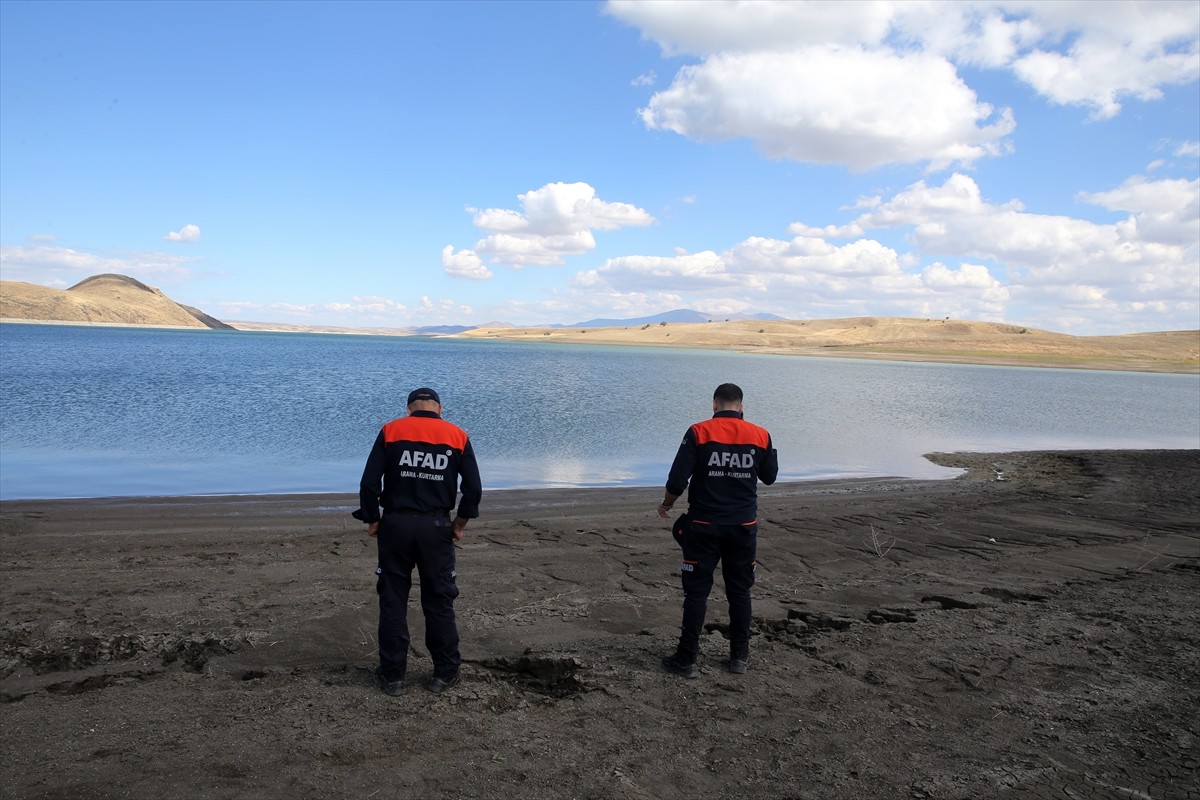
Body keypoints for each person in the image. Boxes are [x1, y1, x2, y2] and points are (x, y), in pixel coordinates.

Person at [353, 387, 482, 696]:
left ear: (409, 408)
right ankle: (444, 674)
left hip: (395, 525)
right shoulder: (457, 435)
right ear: (440, 408)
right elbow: (474, 489)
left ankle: (393, 676)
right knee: (439, 601)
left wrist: (373, 519)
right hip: (436, 526)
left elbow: (369, 482)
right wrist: (459, 523)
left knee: (393, 599)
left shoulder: (392, 430)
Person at [657, 383, 778, 678]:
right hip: (743, 527)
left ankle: (686, 661)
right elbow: (770, 477)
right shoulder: (760, 435)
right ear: (741, 407)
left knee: (696, 594)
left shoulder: (698, 432)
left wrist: (667, 505)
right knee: (739, 592)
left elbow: (677, 480)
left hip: (703, 527)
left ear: (714, 405)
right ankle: (739, 658)